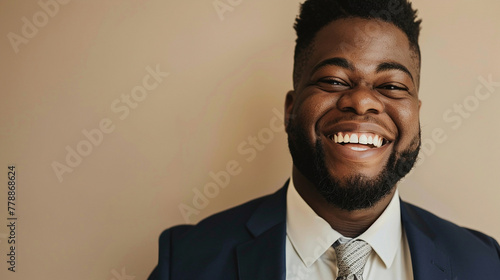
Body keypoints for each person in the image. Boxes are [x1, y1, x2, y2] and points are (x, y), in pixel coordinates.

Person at [148, 0, 500, 279]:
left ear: (417, 113)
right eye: (333, 80)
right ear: (290, 110)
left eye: (391, 86)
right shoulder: (187, 262)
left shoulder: (484, 264)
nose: (362, 101)